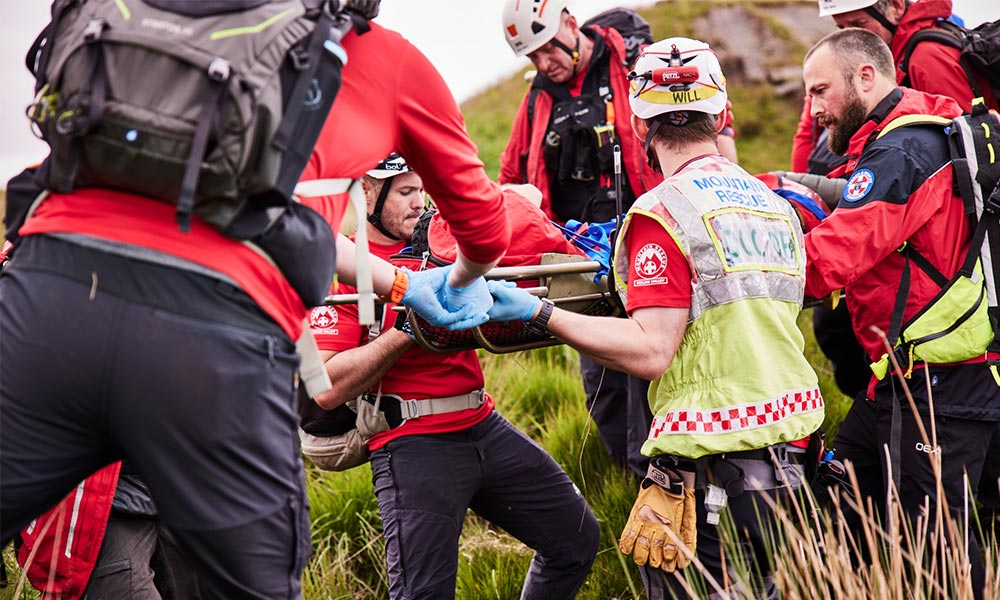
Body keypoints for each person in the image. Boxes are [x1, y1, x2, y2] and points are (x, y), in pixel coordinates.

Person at [0, 2, 512, 597]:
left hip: (46, 297)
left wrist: (397, 283)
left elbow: (255, 212)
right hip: (210, 336)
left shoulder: (144, 24)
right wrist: (454, 282)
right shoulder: (374, 53)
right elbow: (484, 227)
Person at [487, 37, 825, 598]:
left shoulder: (661, 213)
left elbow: (650, 350)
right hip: (792, 457)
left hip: (711, 470)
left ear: (641, 125)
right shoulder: (775, 205)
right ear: (720, 114)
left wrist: (542, 313)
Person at [304, 155, 600, 599]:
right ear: (366, 191)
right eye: (405, 192)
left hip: (483, 424)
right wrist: (409, 327)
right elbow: (324, 387)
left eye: (422, 191)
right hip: (413, 444)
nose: (418, 204)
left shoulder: (444, 242)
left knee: (577, 539)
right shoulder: (347, 268)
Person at [801, 27, 999, 596]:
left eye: (820, 92)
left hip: (942, 387)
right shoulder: (924, 128)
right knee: (838, 494)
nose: (814, 110)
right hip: (910, 379)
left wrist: (747, 266)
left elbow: (832, 259)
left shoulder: (901, 151)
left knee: (941, 558)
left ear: (866, 77)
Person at [794, 0, 998, 170]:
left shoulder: (925, 57)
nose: (850, 36)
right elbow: (807, 130)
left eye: (859, 24)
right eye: (841, 28)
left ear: (896, 6)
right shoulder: (892, 56)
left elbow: (972, 145)